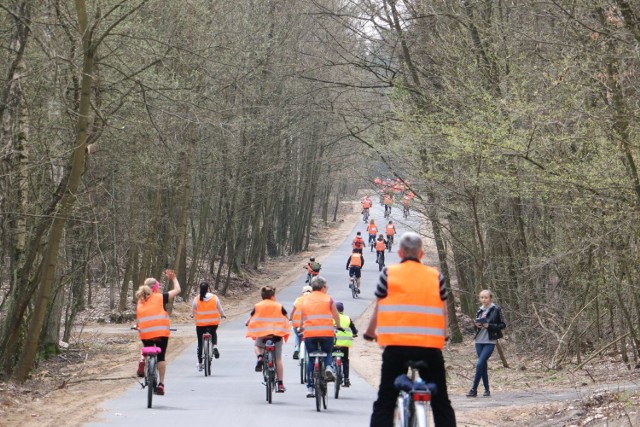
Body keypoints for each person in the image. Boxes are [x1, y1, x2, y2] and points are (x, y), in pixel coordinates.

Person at [364, 232, 456, 427]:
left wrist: (370, 332)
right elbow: (443, 309)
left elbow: (379, 306)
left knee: (385, 402)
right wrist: (445, 335)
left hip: (396, 347)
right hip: (429, 348)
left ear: (400, 252)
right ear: (421, 253)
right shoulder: (435, 276)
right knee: (441, 403)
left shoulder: (389, 273)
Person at [135, 269, 181, 396]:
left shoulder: (140, 300)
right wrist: (173, 278)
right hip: (161, 333)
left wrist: (138, 326)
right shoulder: (161, 297)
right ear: (156, 288)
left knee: (146, 346)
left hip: (146, 333)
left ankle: (142, 359)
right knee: (161, 357)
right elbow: (177, 290)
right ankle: (161, 384)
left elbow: (139, 319)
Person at [300, 276, 341, 398]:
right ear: (323, 287)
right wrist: (338, 326)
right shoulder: (329, 299)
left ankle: (310, 388)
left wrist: (302, 328)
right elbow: (336, 316)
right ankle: (328, 367)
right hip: (326, 333)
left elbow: (302, 318)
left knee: (311, 360)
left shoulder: (305, 300)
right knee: (328, 351)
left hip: (310, 334)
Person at [246, 286, 290, 393]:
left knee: (257, 346)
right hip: (276, 335)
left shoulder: (257, 306)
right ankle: (280, 384)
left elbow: (251, 318)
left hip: (263, 334)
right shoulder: (279, 306)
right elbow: (286, 317)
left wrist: (247, 323)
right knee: (278, 359)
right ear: (273, 296)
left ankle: (260, 357)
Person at [466, 289, 506, 398]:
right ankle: (487, 390)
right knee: (482, 365)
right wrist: (476, 326)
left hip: (490, 341)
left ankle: (473, 389)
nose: (484, 299)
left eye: (486, 297)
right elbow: (475, 327)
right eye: (482, 297)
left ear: (490, 298)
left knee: (479, 364)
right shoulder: (480, 310)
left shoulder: (496, 309)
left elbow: (503, 325)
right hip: (479, 341)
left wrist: (490, 325)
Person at [192, 282, 226, 371]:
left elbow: (193, 310)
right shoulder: (214, 297)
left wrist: (193, 315)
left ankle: (200, 364)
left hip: (200, 324)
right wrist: (223, 314)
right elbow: (220, 308)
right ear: (208, 288)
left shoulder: (196, 299)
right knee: (213, 333)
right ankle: (214, 346)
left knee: (200, 343)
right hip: (213, 323)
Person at [334, 302, 358, 387]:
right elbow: (354, 330)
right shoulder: (347, 318)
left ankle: (331, 371)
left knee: (330, 357)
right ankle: (346, 379)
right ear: (342, 310)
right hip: (344, 344)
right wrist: (355, 333)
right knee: (345, 360)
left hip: (333, 344)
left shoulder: (331, 318)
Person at [290, 285, 312, 360]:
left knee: (297, 335)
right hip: (308, 325)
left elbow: (292, 312)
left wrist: (290, 319)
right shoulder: (312, 301)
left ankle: (297, 348)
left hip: (297, 324)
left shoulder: (298, 300)